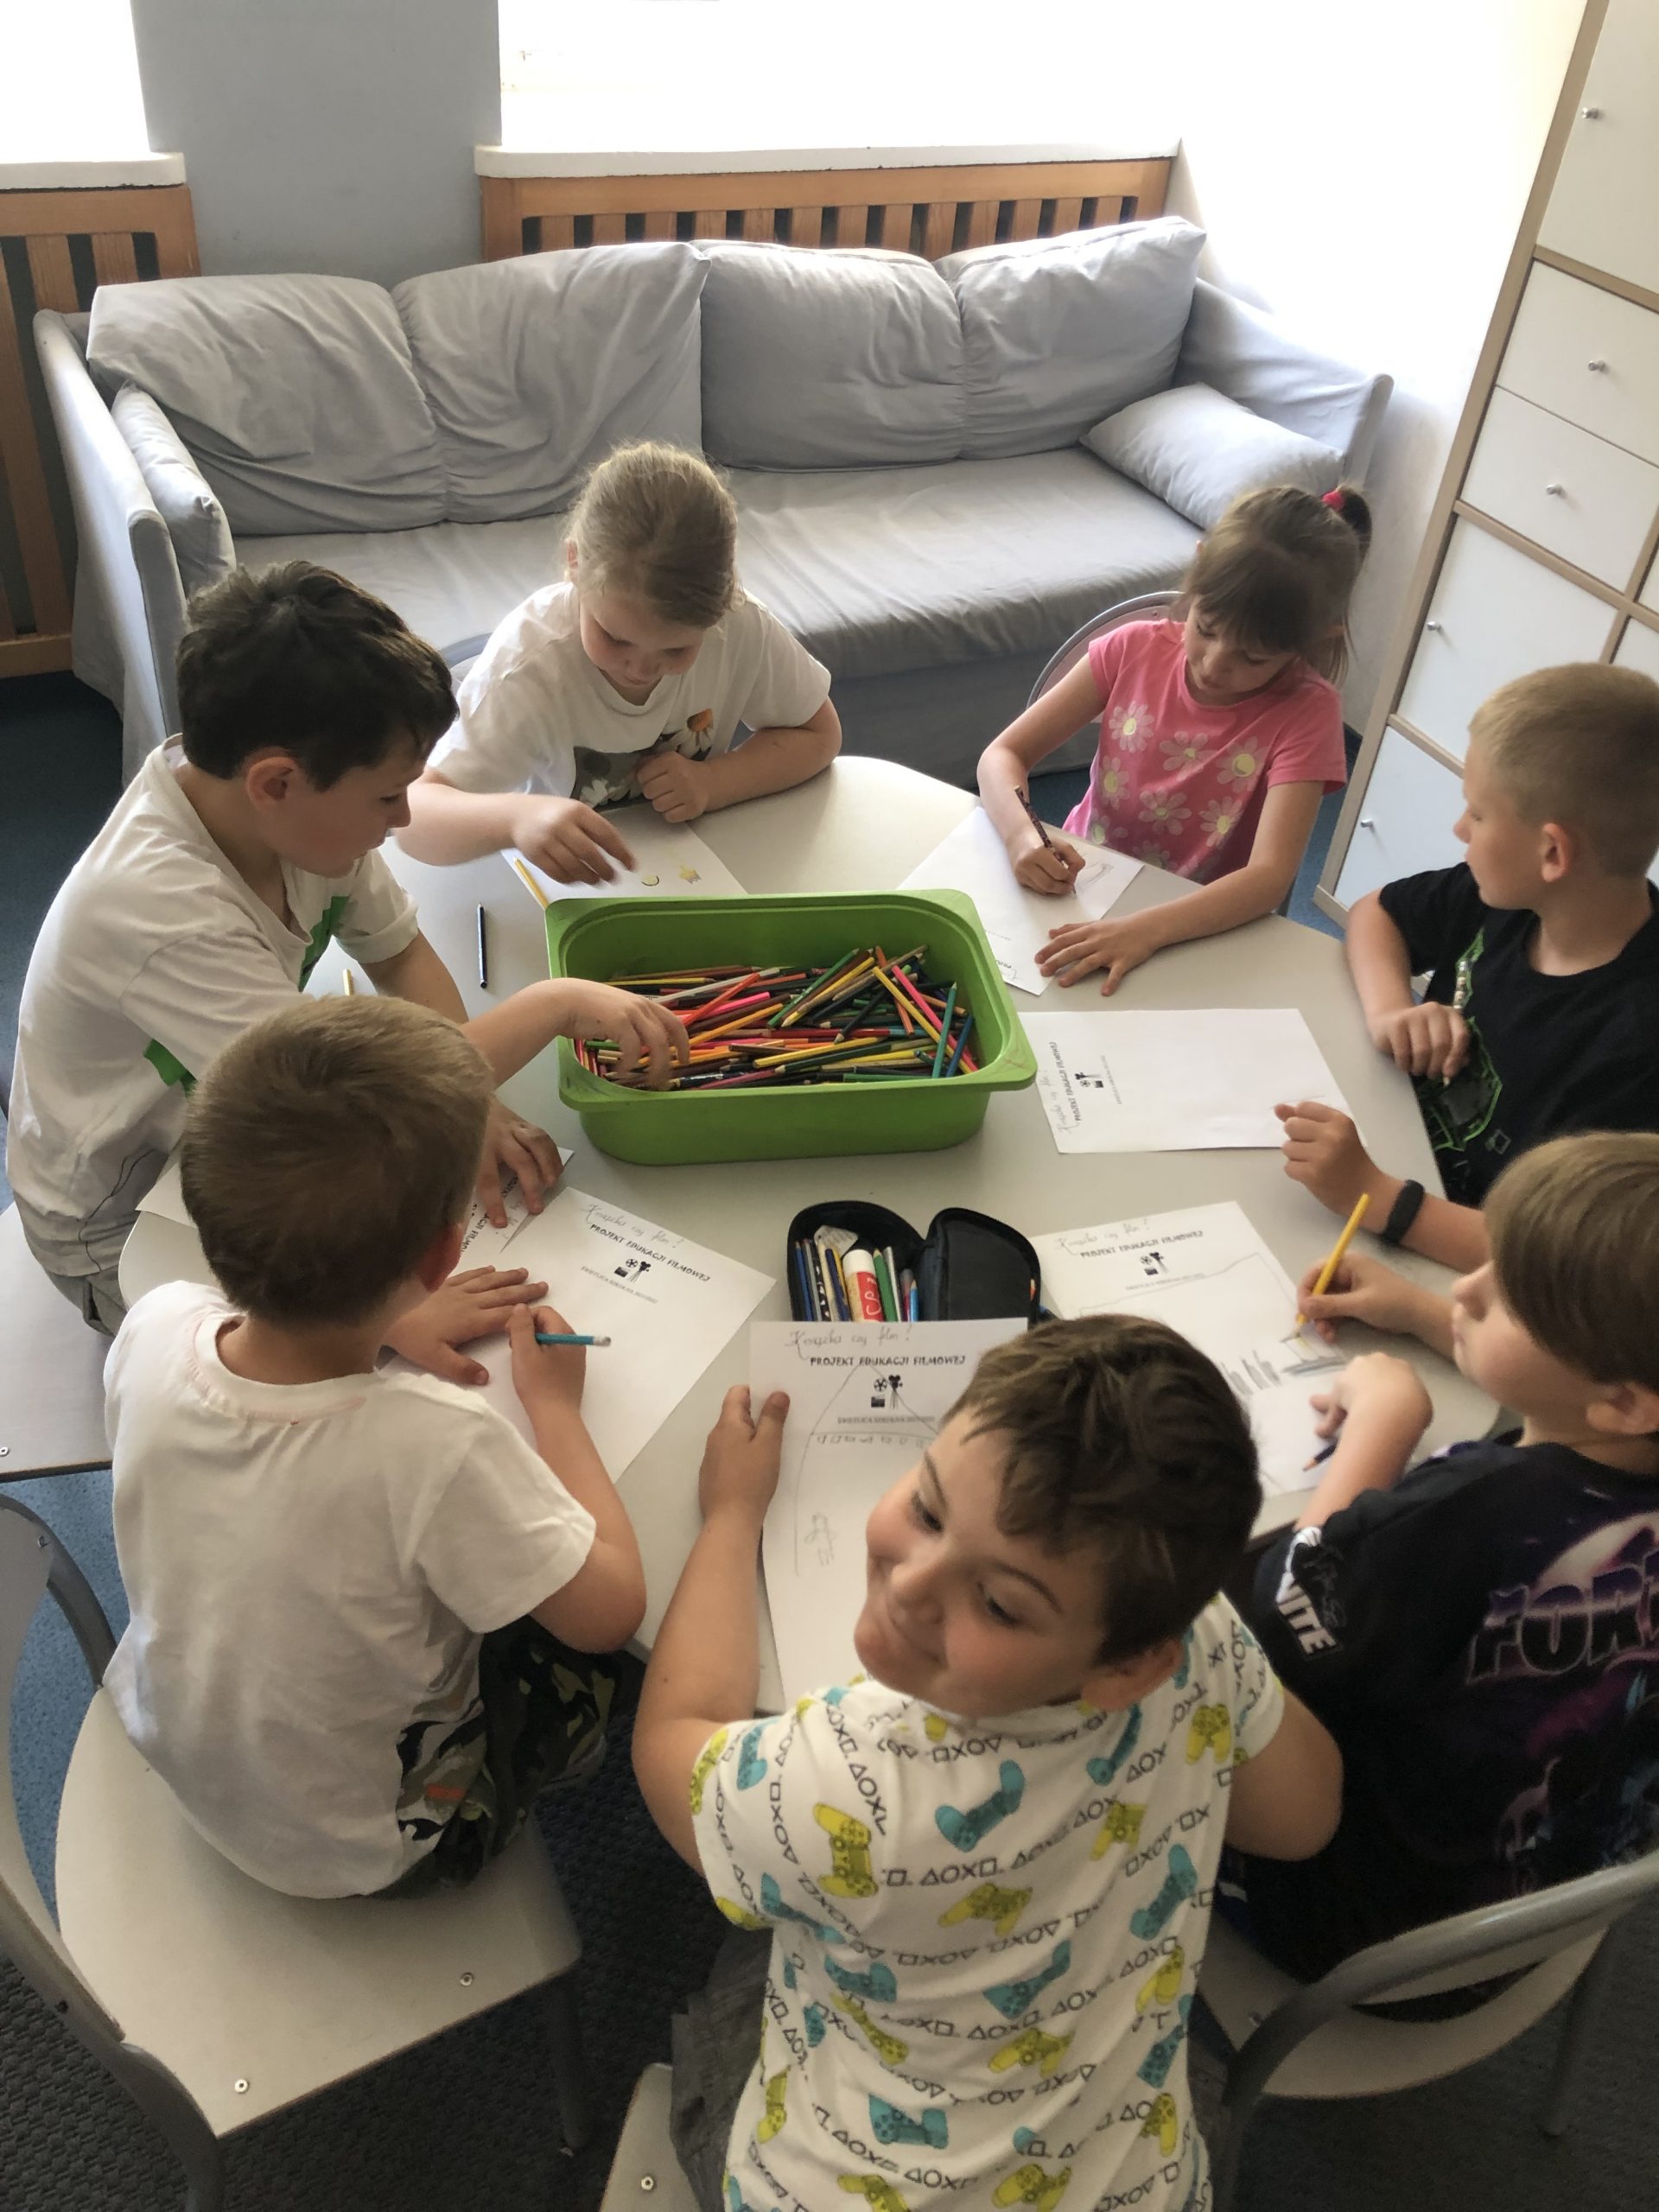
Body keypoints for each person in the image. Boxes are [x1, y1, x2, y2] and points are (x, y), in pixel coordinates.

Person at [632, 1319, 1342, 2212]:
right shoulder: (1189, 1634)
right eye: (930, 1511)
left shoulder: (853, 1781)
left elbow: (670, 1745)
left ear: (1128, 1667)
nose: (910, 1586)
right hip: (1134, 2182)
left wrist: (733, 1516)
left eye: (1000, 1604)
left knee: (735, 1961)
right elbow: (1303, 1817)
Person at [4, 562, 686, 1362]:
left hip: (254, 1145)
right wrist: (554, 1003)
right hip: (123, 1228)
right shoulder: (165, 914)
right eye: (388, 797)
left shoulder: (294, 815)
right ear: (276, 782)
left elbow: (398, 953)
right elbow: (344, 1112)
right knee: (343, 1368)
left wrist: (472, 1104)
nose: (402, 819)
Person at [102, 993, 646, 1899]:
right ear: (442, 1255)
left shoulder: (158, 1320)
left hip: (185, 1752)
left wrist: (385, 1322)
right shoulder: (433, 1443)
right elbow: (610, 1610)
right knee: (594, 1657)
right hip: (364, 1844)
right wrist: (556, 1410)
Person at [1232, 1132, 1659, 1986]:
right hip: (1537, 1912)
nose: (1465, 1287)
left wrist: (1382, 1423)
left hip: (1359, 1933)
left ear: (1620, 1401)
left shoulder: (1472, 1512)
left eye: (1509, 1301)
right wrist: (1428, 1316)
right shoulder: (1618, 1436)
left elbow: (1271, 1619)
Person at [1278, 661, 1659, 1274]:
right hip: (1387, 1154)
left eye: (1477, 814)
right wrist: (1391, 1011)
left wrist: (1374, 1197)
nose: (1459, 828)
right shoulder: (1511, 899)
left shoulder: (1632, 1049)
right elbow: (1378, 912)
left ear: (1552, 852)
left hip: (1460, 1271)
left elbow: (1568, 1260)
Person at [977, 484, 1369, 995]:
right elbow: (1003, 754)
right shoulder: (1131, 649)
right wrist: (1022, 836)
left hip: (1199, 919)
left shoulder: (1307, 713)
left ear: (1316, 640)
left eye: (1252, 658)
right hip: (1085, 875)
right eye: (1205, 628)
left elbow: (1270, 876)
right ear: (1198, 570)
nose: (1214, 665)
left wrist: (1146, 930)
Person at [399, 442, 842, 884]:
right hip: (565, 889)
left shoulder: (737, 625)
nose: (640, 670)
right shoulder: (528, 667)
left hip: (691, 875)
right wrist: (516, 819)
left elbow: (819, 733)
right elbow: (414, 816)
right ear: (574, 563)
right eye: (615, 638)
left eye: (675, 651)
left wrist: (714, 783)